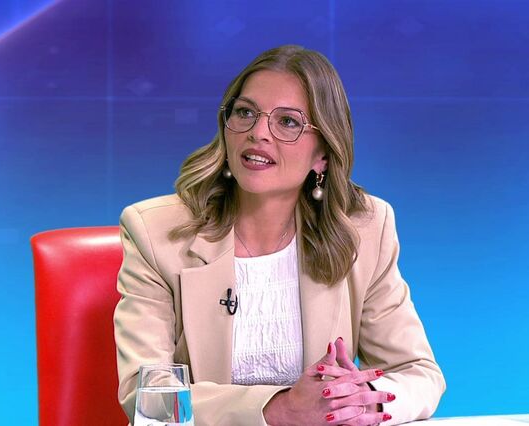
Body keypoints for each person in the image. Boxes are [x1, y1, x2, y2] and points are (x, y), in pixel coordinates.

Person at [114, 45, 445, 426]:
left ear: (322, 154)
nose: (258, 133)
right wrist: (278, 409)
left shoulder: (364, 228)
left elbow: (418, 372)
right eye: (245, 113)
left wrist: (361, 401)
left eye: (288, 122)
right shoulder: (155, 232)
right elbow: (148, 397)